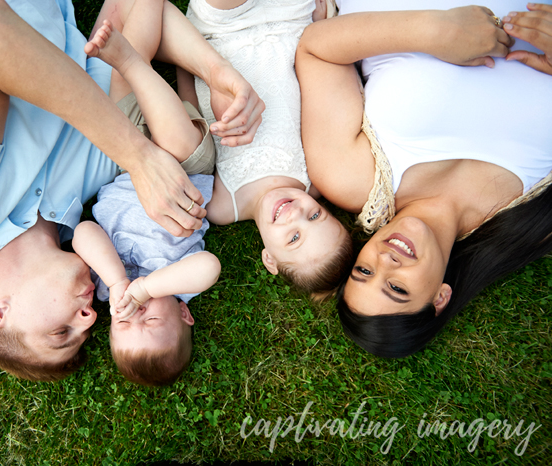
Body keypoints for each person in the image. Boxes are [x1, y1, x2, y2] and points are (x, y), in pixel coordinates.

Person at [0, 0, 262, 380]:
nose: (92, 317)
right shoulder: (98, 178)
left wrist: (140, 157)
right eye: (88, 330)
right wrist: (219, 72)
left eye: (60, 333)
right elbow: (125, 35)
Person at [296, 0, 552, 357]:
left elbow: (316, 49)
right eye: (397, 289)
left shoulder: (348, 177)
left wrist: (433, 30)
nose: (386, 261)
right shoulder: (532, 223)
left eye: (364, 270)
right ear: (441, 296)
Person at [71, 8, 220, 386]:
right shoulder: (180, 285)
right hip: (185, 162)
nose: (135, 311)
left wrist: (119, 280)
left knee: (122, 80)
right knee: (136, 73)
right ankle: (136, 63)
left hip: (129, 157)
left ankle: (140, 19)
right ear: (183, 315)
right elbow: (209, 267)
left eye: (123, 323)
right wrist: (148, 287)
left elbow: (83, 232)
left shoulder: (105, 286)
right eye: (150, 319)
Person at [182, 0, 352, 298]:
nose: (294, 213)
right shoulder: (315, 179)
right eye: (315, 216)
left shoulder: (222, 207)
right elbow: (317, 100)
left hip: (221, 36)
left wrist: (184, 62)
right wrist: (317, 26)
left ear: (269, 259)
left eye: (294, 237)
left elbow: (193, 118)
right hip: (289, 27)